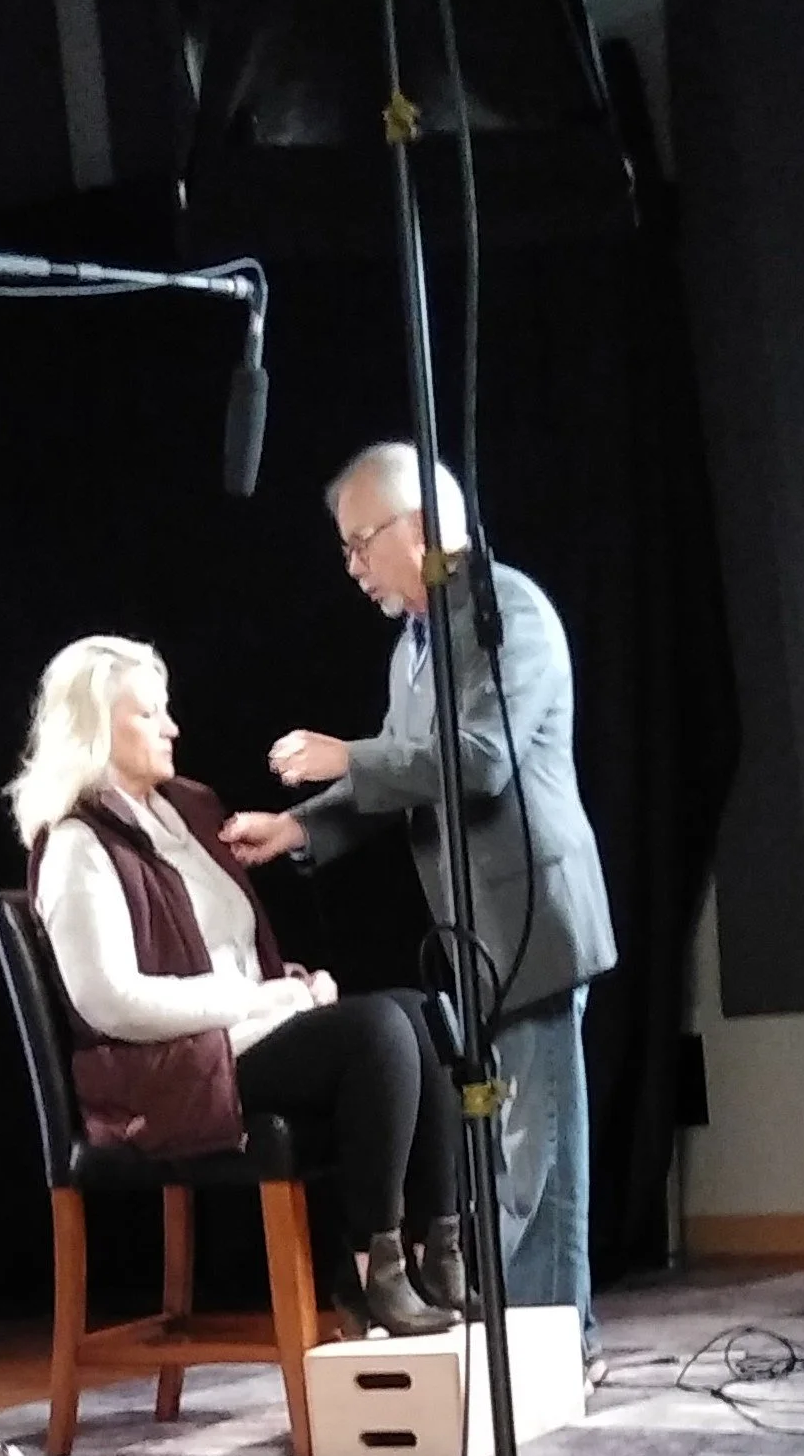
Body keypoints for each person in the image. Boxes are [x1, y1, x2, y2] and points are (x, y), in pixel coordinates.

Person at [222, 443, 616, 1371]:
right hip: (477, 935)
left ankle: (557, 1348)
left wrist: (343, 756)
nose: (352, 566)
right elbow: (409, 779)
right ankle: (553, 1341)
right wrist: (300, 827)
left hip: (533, 918)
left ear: (424, 528)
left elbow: (477, 760)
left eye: (362, 542)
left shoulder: (500, 610)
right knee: (514, 1151)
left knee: (539, 1156)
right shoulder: (415, 646)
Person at [8, 633, 464, 1337]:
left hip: (236, 1030)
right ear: (96, 726)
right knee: (374, 1032)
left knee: (418, 1013)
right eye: (148, 715)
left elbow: (219, 949)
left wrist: (286, 984)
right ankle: (373, 1266)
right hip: (158, 1070)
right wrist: (257, 1000)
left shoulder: (184, 809)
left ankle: (442, 1249)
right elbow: (109, 1001)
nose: (172, 727)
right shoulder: (76, 844)